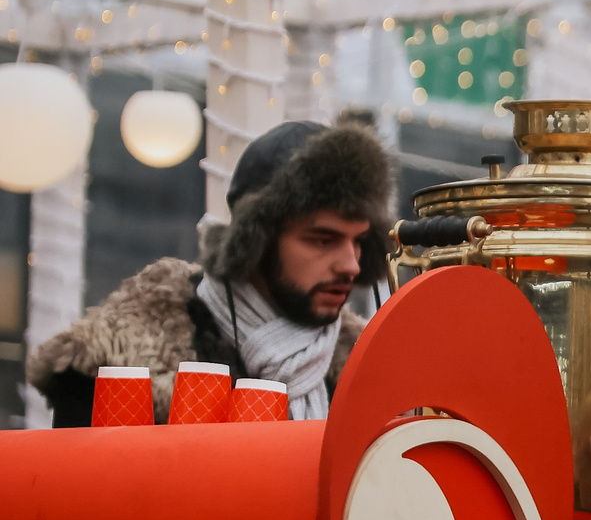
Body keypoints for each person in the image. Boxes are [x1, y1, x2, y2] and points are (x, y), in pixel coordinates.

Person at [32, 110, 392, 423]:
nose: (351, 265)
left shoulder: (370, 373)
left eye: (359, 241)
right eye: (322, 240)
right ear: (256, 242)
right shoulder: (116, 364)